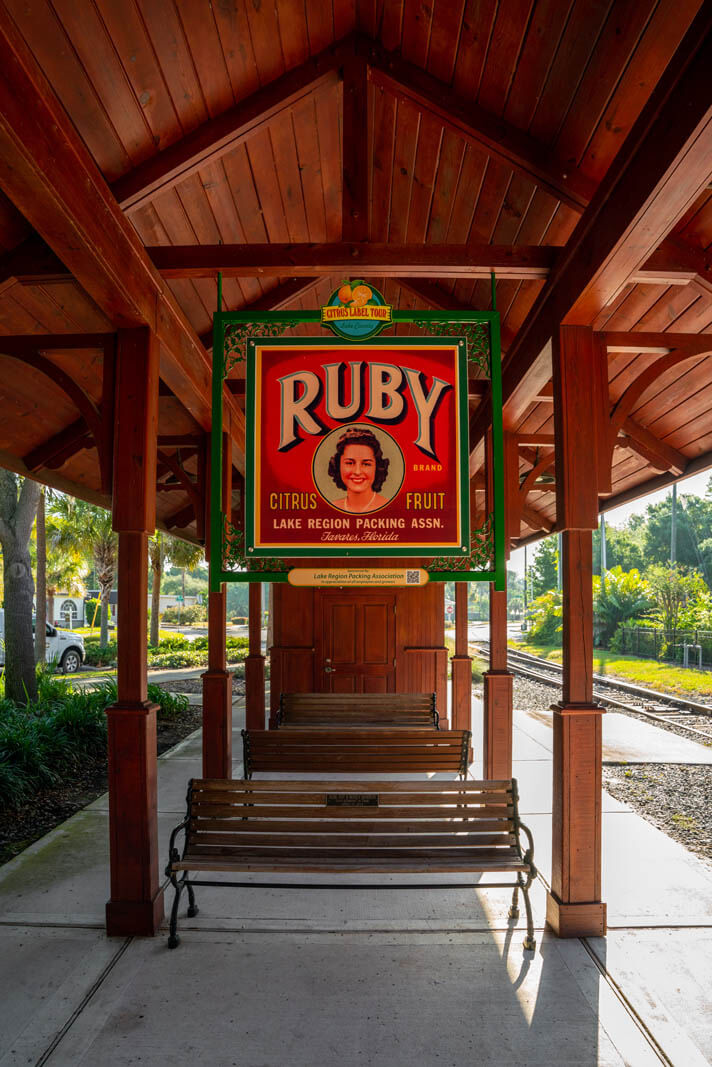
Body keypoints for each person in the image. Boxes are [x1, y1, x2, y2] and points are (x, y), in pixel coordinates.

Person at [327, 427, 390, 513]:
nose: (357, 472)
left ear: (377, 467)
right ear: (338, 466)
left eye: (366, 464)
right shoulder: (330, 509)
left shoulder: (391, 508)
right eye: (349, 463)